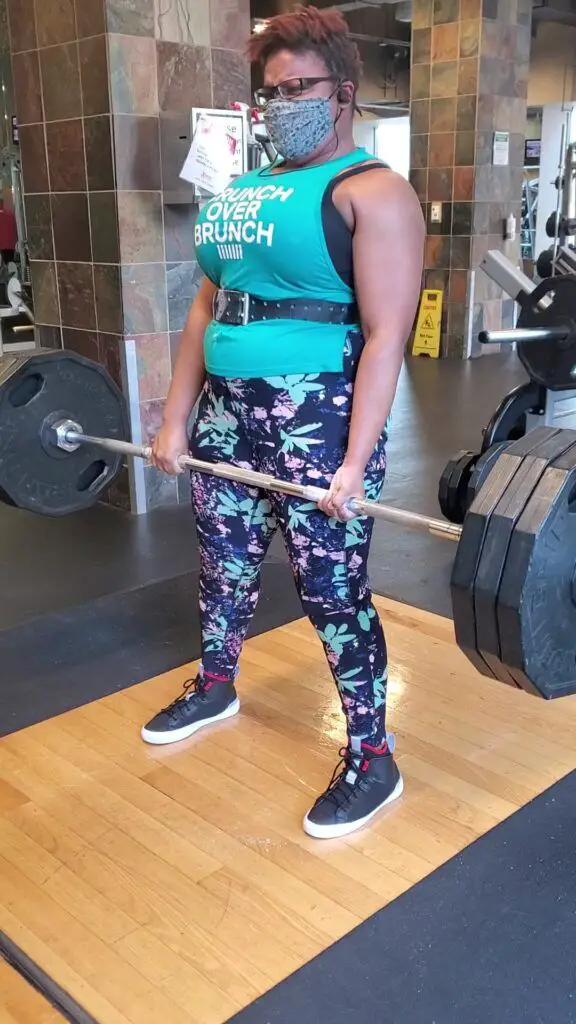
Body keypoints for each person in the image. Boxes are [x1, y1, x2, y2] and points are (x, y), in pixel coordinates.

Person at [142, 5, 425, 840]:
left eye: (296, 88)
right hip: (228, 421)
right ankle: (217, 681)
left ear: (342, 92)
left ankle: (373, 755)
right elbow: (205, 306)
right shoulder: (244, 192)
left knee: (332, 594)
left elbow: (385, 335)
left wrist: (356, 461)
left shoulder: (372, 192)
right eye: (268, 92)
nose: (279, 105)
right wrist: (174, 418)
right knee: (223, 568)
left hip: (318, 423)